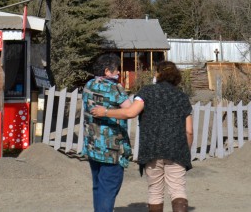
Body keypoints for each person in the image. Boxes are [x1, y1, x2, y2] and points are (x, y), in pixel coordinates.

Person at [92, 61, 193, 212]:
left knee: (155, 191)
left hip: (151, 149)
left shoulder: (146, 92)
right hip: (177, 150)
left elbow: (130, 113)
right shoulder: (183, 97)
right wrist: (186, 150)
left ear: (158, 74)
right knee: (178, 190)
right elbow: (189, 131)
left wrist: (105, 112)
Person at [82, 53, 134, 212]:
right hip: (111, 148)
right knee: (109, 189)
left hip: (92, 144)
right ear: (107, 71)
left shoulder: (89, 84)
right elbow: (129, 109)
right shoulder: (114, 88)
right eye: (116, 70)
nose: (118, 73)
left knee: (98, 186)